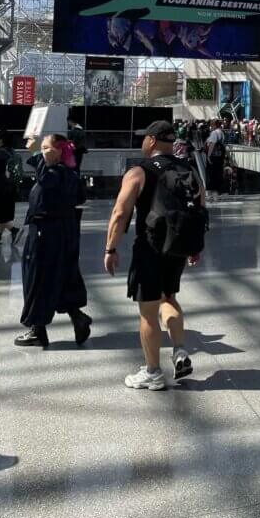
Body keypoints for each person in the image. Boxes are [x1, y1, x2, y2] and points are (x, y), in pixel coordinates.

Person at [104, 121, 204, 390]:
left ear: (151, 140)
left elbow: (120, 212)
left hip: (149, 248)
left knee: (148, 312)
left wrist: (110, 248)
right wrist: (194, 247)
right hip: (177, 247)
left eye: (144, 138)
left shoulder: (139, 171)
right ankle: (180, 349)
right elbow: (200, 208)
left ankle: (152, 372)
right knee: (169, 297)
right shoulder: (189, 169)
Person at [15, 134, 90, 348]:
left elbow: (46, 180)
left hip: (45, 233)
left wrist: (36, 154)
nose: (42, 151)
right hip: (63, 232)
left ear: (58, 151)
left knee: (37, 276)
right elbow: (79, 197)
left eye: (46, 147)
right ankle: (77, 316)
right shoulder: (70, 173)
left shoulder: (54, 174)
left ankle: (37, 328)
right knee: (62, 274)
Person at [205, 119, 226, 200]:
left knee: (211, 174)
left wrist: (209, 156)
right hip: (220, 157)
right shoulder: (221, 132)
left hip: (213, 157)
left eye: (211, 125)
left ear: (214, 125)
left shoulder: (214, 133)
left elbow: (212, 144)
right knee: (218, 174)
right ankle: (217, 192)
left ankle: (211, 194)